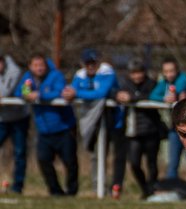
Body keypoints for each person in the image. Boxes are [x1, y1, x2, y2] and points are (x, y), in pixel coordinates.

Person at [61, 48, 125, 197]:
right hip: (93, 121)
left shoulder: (107, 72)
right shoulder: (80, 75)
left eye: (93, 62)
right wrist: (70, 93)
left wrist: (77, 93)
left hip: (114, 120)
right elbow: (71, 91)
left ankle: (115, 190)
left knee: (118, 157)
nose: (91, 66)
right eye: (87, 63)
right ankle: (98, 188)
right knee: (96, 155)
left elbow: (100, 93)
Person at [16, 54, 78, 196]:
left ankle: (72, 191)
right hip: (44, 130)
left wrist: (40, 95)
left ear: (46, 65)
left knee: (70, 162)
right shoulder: (28, 78)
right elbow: (20, 91)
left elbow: (60, 91)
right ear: (30, 66)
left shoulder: (56, 75)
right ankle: (55, 191)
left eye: (41, 65)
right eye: (35, 65)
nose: (39, 68)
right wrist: (26, 94)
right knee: (43, 160)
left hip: (64, 127)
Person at [115, 58, 162, 198]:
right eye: (134, 73)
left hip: (151, 130)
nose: (137, 76)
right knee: (134, 163)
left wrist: (133, 99)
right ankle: (145, 189)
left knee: (152, 163)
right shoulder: (124, 84)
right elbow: (114, 94)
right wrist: (117, 96)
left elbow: (153, 97)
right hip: (133, 132)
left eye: (139, 72)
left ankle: (152, 189)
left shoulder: (152, 83)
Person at [150, 56, 186, 181]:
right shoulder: (164, 83)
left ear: (177, 70)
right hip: (175, 128)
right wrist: (164, 98)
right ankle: (171, 186)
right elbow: (153, 95)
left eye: (171, 71)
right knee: (173, 160)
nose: (169, 74)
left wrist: (174, 94)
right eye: (166, 71)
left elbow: (179, 88)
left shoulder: (183, 79)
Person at [0, 53, 30, 194]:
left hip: (19, 118)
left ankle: (17, 186)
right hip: (2, 118)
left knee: (19, 152)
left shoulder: (15, 71)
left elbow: (5, 92)